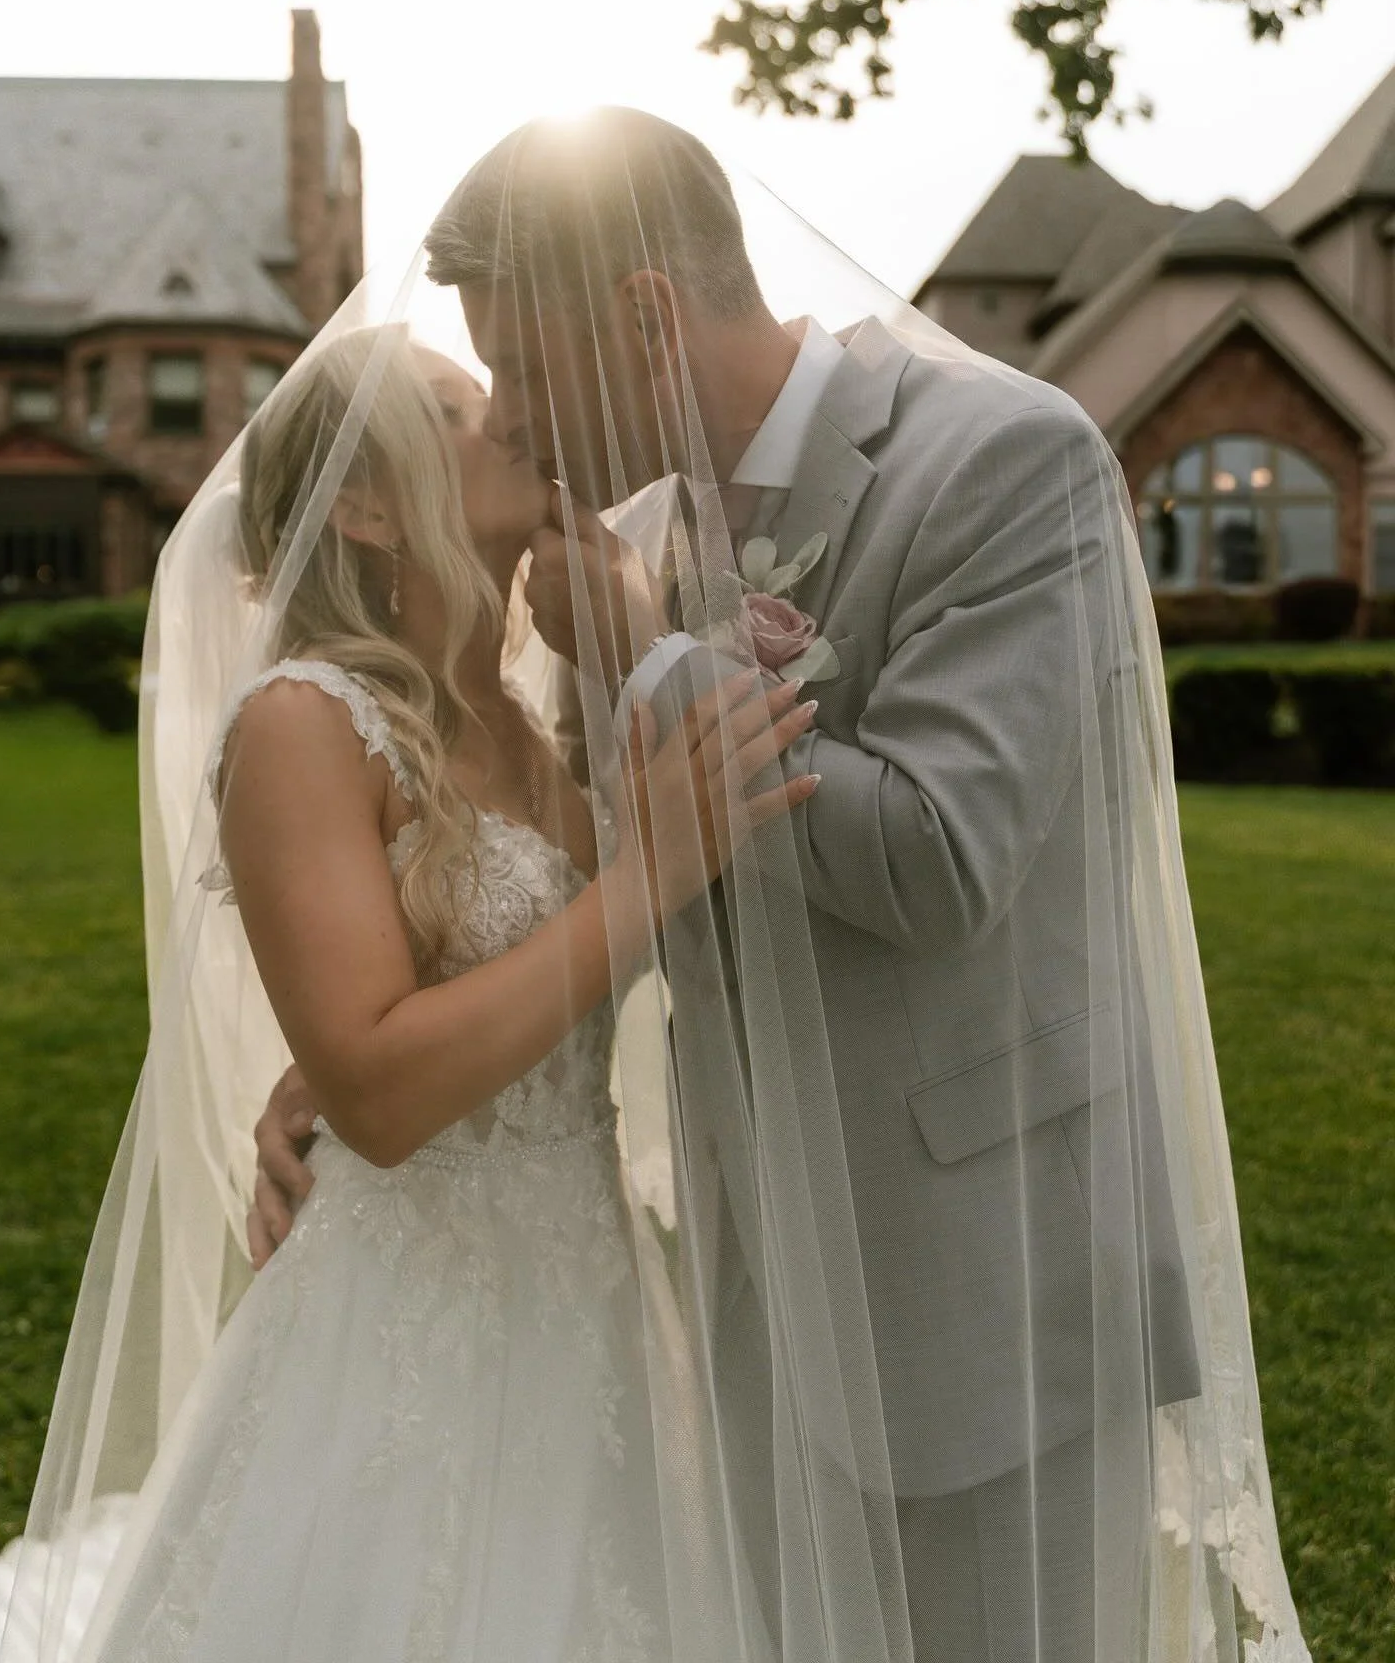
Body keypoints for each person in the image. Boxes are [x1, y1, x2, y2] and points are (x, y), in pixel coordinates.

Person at [245, 108, 1313, 1663]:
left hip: (982, 1275)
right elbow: (585, 877)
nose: (523, 425)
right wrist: (347, 1043)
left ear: (643, 318)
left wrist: (652, 663)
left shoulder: (1006, 462)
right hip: (753, 1284)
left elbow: (942, 858)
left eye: (533, 373)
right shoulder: (648, 528)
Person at [0, 325, 812, 1663]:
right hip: (413, 1333)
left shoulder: (535, 721)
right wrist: (644, 879)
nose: (511, 420)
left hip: (589, 1310)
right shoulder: (303, 722)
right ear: (361, 502)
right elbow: (382, 1090)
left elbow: (509, 985)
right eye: (455, 411)